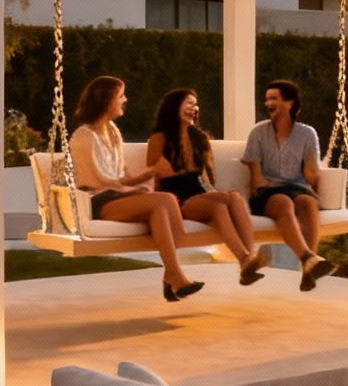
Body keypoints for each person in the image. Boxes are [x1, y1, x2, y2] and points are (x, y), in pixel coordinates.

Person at [69, 75, 204, 302]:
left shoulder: (112, 131)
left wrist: (148, 176)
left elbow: (123, 177)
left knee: (161, 207)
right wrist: (142, 185)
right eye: (121, 95)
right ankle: (173, 273)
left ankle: (173, 276)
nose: (125, 99)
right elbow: (102, 183)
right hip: (96, 201)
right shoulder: (84, 136)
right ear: (108, 99)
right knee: (165, 200)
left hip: (114, 196)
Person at [146, 88, 265, 287]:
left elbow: (207, 180)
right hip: (179, 201)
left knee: (226, 203)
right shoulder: (160, 138)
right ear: (174, 107)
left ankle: (246, 261)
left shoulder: (199, 139)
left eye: (195, 104)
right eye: (189, 104)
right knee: (230, 198)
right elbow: (155, 176)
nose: (194, 108)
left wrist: (214, 193)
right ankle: (246, 259)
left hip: (203, 197)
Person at [244, 79, 336, 290]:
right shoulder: (258, 132)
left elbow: (311, 172)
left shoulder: (307, 133)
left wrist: (316, 189)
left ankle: (307, 269)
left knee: (306, 201)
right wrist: (262, 189)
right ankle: (308, 258)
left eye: (274, 98)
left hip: (296, 187)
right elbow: (255, 174)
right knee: (284, 202)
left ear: (290, 103)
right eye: (267, 99)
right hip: (268, 191)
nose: (268, 103)